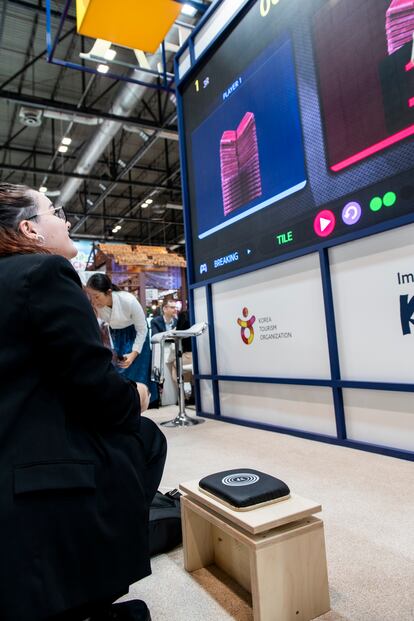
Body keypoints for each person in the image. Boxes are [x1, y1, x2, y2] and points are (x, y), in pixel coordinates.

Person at [0, 183, 167, 621]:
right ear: (30, 230)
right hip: (33, 473)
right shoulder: (45, 274)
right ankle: (89, 574)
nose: (67, 219)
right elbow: (96, 389)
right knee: (145, 436)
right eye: (55, 211)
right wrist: (135, 394)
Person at [85, 274, 155, 401]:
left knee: (137, 373)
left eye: (97, 296)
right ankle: (124, 406)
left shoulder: (128, 300)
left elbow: (142, 329)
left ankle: (140, 404)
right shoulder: (96, 306)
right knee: (119, 373)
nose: (94, 301)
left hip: (136, 335)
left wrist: (134, 354)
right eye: (91, 297)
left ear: (109, 292)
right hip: (117, 336)